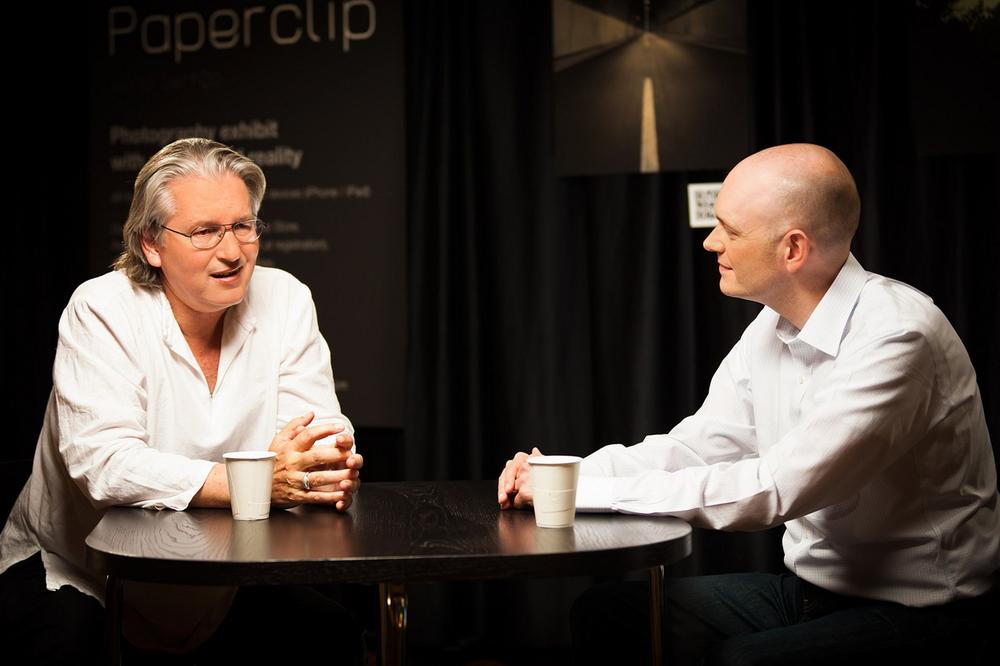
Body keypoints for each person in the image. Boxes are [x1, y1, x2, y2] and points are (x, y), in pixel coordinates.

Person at [498, 144, 998, 664]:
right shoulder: (772, 324)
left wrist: (589, 492)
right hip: (808, 594)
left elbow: (777, 489)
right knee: (607, 611)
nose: (712, 242)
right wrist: (561, 474)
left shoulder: (898, 335)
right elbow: (698, 447)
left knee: (741, 660)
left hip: (926, 613)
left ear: (792, 249)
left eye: (730, 230)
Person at [0, 138, 365, 664]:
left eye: (243, 225)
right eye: (205, 231)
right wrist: (260, 480)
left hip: (223, 575)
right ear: (151, 243)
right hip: (81, 573)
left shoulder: (286, 298)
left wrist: (323, 468)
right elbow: (102, 464)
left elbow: (318, 442)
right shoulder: (102, 308)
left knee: (327, 635)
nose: (233, 250)